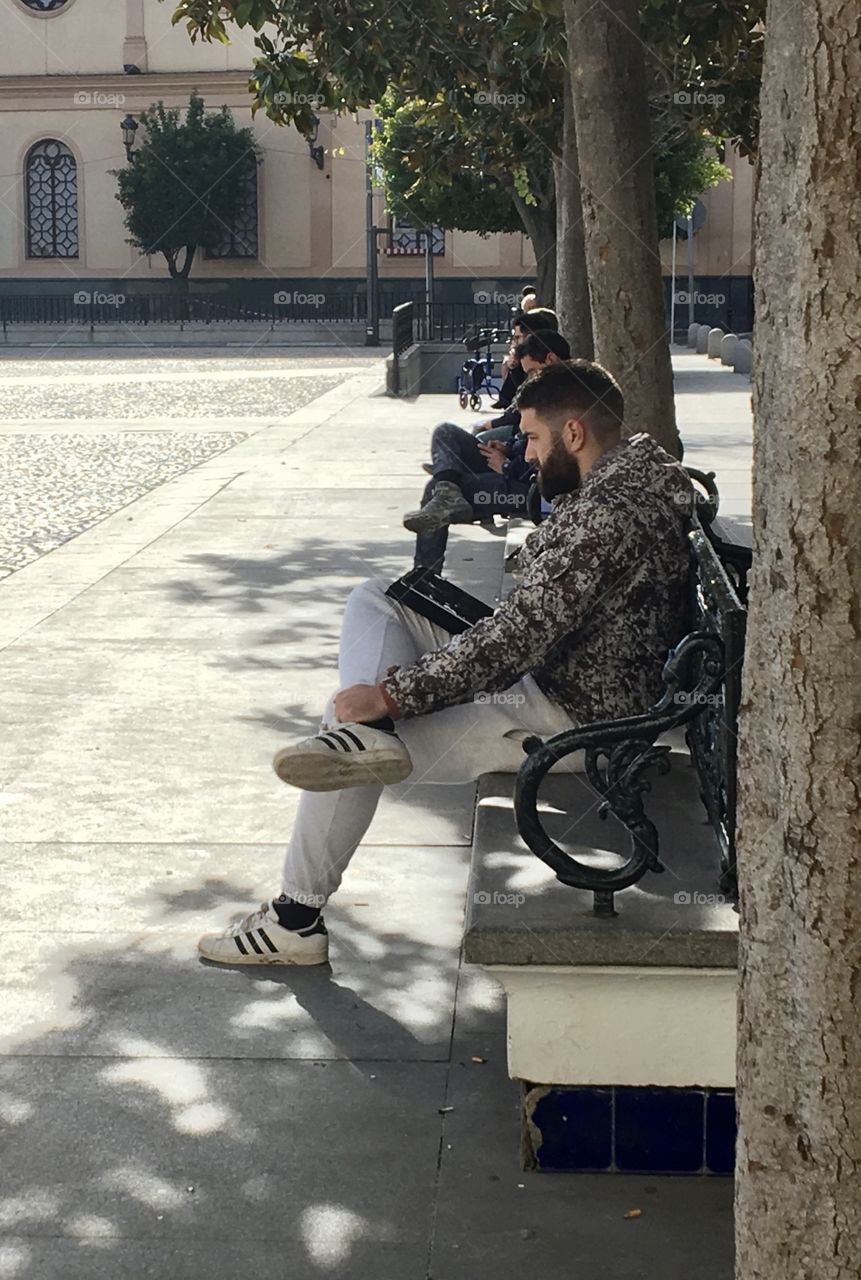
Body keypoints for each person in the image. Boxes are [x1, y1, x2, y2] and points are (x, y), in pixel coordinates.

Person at [198, 360, 695, 966]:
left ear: (573, 434)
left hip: (571, 715)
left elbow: (518, 638)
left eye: (534, 439)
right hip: (564, 669)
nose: (528, 456)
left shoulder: (608, 512)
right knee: (377, 599)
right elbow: (537, 619)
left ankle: (295, 921)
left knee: (348, 740)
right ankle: (364, 733)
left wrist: (395, 696)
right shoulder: (637, 474)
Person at [409, 332, 572, 573]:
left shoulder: (563, 402)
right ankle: (448, 480)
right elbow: (528, 443)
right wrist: (509, 450)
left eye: (532, 372)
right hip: (512, 466)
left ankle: (423, 580)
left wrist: (506, 465)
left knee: (434, 491)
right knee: (447, 433)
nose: (529, 379)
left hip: (527, 490)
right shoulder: (547, 394)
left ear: (550, 359)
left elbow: (551, 466)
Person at [488, 307, 559, 414]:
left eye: (518, 337)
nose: (515, 342)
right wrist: (513, 368)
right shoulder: (523, 358)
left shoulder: (539, 357)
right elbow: (509, 398)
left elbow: (524, 401)